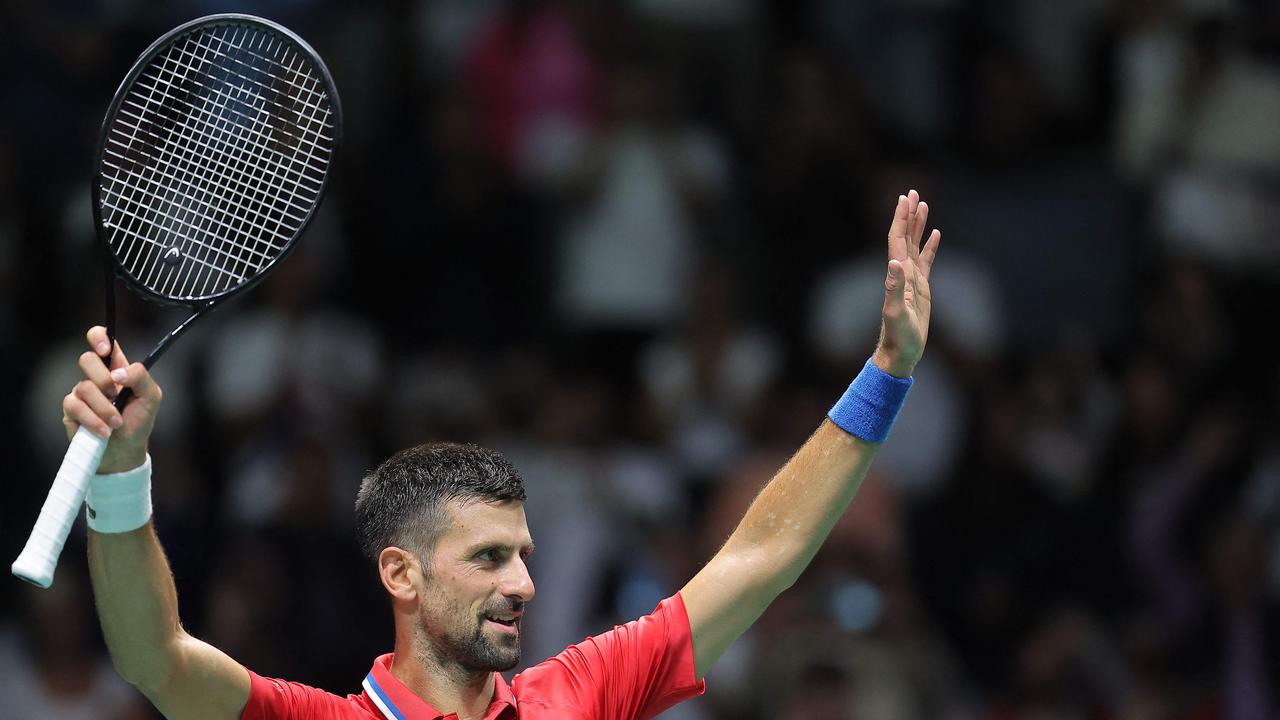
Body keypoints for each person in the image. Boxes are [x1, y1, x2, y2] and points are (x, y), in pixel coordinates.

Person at [62, 190, 942, 720]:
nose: (523, 584)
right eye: (489, 558)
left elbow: (762, 555)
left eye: (523, 556)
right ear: (401, 575)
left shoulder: (581, 692)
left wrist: (888, 373)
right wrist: (120, 474)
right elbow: (157, 659)